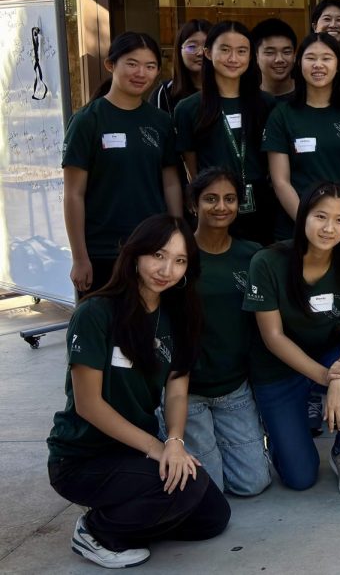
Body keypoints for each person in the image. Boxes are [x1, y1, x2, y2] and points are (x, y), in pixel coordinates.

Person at [46, 215, 230, 569]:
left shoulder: (177, 315)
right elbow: (88, 404)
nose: (167, 269)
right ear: (135, 255)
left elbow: (177, 390)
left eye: (179, 261)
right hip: (84, 457)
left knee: (212, 517)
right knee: (188, 488)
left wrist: (175, 441)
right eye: (158, 256)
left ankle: (125, 508)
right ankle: (95, 530)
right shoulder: (95, 312)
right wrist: (157, 447)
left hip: (133, 451)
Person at [243, 182, 340, 495]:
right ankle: (282, 426)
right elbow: (273, 338)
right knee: (300, 477)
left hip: (325, 355)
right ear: (303, 215)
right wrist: (329, 377)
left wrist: (338, 377)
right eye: (321, 217)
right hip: (277, 368)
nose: (329, 228)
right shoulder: (267, 262)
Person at [63, 32, 184, 295]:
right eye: (132, 63)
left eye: (150, 66)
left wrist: (177, 234)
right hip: (103, 251)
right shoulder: (87, 121)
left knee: (152, 328)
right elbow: (74, 194)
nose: (141, 73)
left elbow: (171, 183)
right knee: (106, 328)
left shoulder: (160, 121)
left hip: (155, 248)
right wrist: (80, 258)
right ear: (111, 65)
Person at [182, 168, 271, 496]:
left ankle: (224, 443)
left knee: (253, 484)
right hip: (187, 390)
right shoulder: (178, 254)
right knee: (210, 490)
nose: (221, 207)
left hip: (234, 388)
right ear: (194, 204)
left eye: (230, 199)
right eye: (211, 199)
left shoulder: (252, 255)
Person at [263, 32, 340, 238]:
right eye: (311, 58)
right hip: (295, 227)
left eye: (326, 58)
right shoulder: (282, 114)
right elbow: (281, 181)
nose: (318, 65)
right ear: (299, 64)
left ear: (338, 64)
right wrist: (307, 223)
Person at [174, 20, 273, 243]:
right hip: (213, 203)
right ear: (208, 53)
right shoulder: (188, 108)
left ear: (251, 56)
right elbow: (190, 166)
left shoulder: (267, 104)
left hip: (261, 203)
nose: (233, 59)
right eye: (225, 50)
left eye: (242, 51)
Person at [153, 18, 210, 114]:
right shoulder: (164, 93)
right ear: (179, 51)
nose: (200, 53)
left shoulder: (230, 89)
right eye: (192, 47)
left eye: (207, 46)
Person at [251, 17, 298, 99]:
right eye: (270, 53)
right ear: (256, 57)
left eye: (286, 52)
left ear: (294, 55)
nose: (279, 59)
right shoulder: (249, 99)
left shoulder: (309, 95)